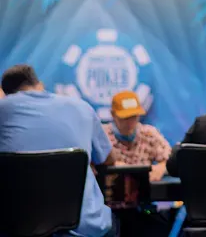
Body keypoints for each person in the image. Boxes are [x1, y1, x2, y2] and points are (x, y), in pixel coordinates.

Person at [0, 64, 117, 237]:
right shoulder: (82, 107)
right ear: (39, 84)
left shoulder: (3, 108)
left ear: (7, 94)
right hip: (85, 228)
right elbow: (109, 159)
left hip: (14, 228)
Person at [103, 90, 171, 181]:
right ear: (113, 114)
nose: (130, 122)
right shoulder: (103, 136)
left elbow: (170, 159)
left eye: (134, 116)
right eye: (125, 118)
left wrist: (161, 168)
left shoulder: (149, 134)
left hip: (144, 187)